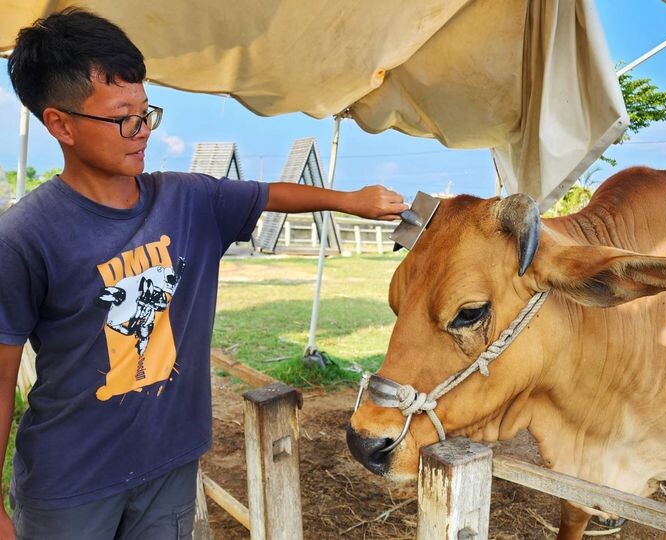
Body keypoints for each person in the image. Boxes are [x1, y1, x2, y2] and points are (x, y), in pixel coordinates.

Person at [0, 8, 407, 539]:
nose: (141, 131)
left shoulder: (190, 200)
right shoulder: (25, 236)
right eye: (123, 117)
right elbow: (3, 377)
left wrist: (352, 200)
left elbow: (268, 194)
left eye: (147, 113)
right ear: (60, 124)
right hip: (71, 484)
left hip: (169, 463)